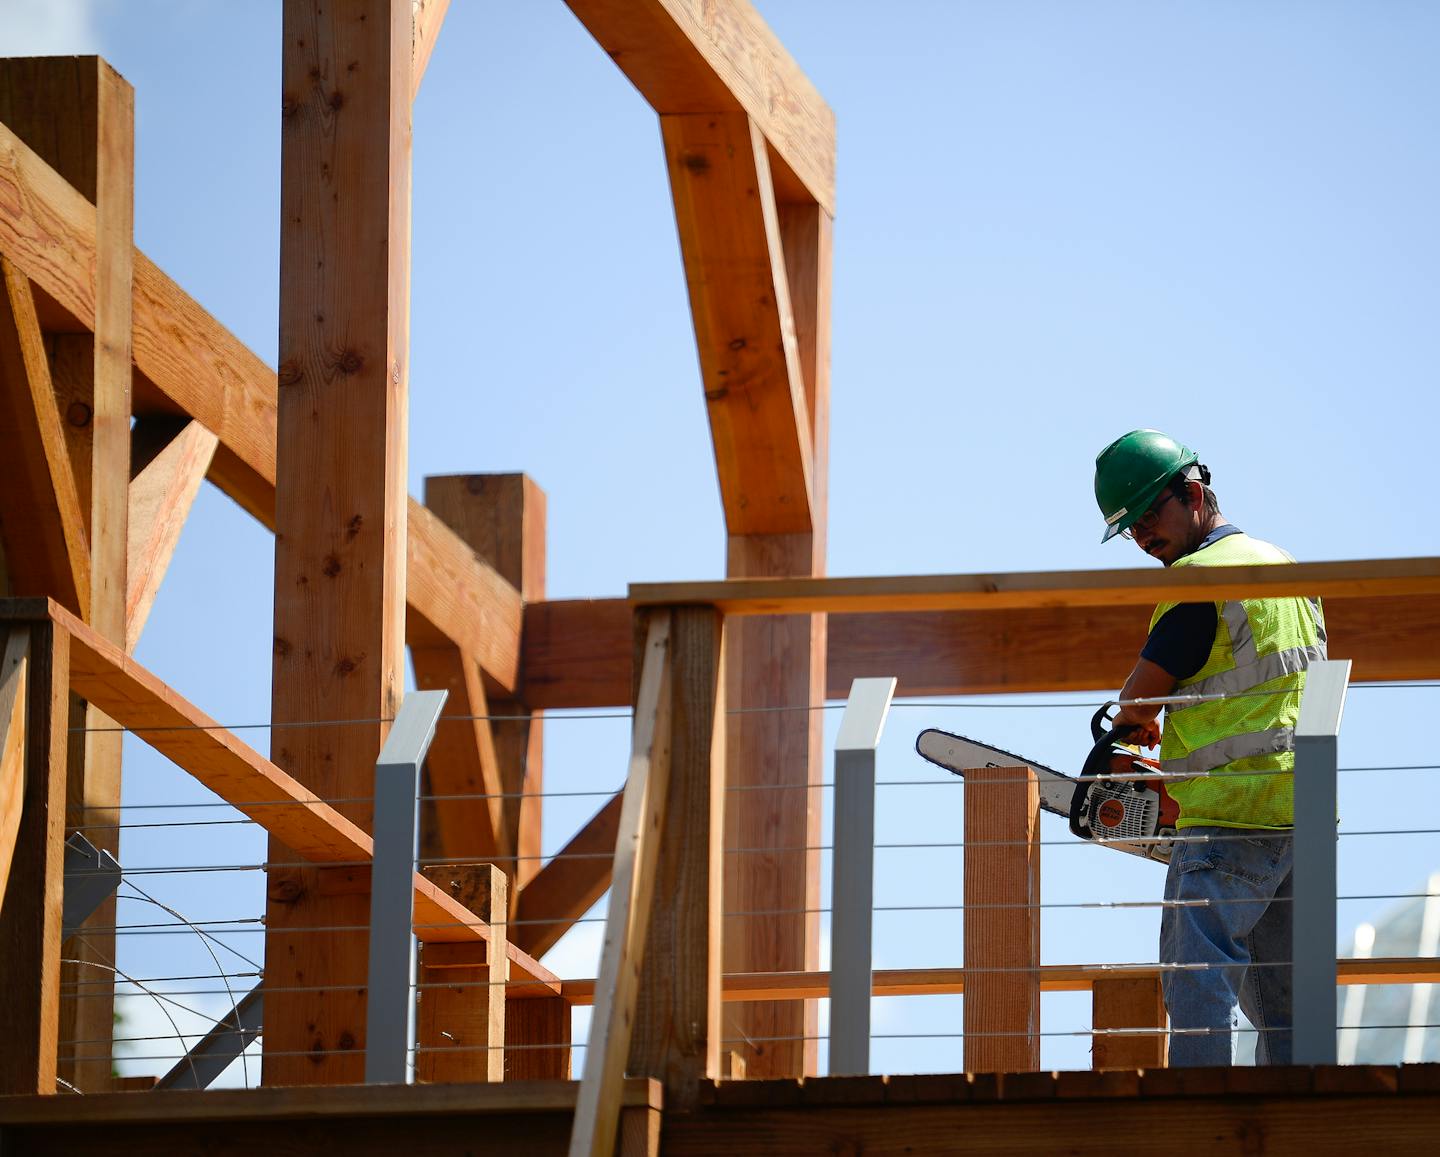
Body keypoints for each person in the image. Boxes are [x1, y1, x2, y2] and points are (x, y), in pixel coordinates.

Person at [1094, 429, 1327, 1066]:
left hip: (1229, 814)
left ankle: (1204, 1111)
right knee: (1286, 1001)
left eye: (1149, 516)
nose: (1143, 536)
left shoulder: (1199, 579)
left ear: (1194, 492)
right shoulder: (1282, 565)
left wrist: (1128, 731)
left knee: (1196, 971)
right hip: (1300, 813)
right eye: (1131, 528)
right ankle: (1303, 1119)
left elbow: (1140, 701)